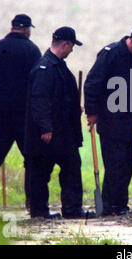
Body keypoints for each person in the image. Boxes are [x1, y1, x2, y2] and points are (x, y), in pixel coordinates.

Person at [83, 27, 132, 216]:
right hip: (110, 118)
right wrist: (92, 112)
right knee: (114, 163)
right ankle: (108, 205)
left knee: (128, 162)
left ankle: (121, 204)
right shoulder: (110, 54)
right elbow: (92, 83)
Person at [0, 14, 41, 209]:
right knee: (31, 156)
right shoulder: (32, 50)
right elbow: (38, 80)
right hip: (24, 114)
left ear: (12, 27)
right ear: (28, 29)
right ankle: (32, 201)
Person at [25, 26, 89, 219]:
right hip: (50, 133)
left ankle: (72, 209)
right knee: (40, 172)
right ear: (65, 44)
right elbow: (39, 99)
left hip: (64, 132)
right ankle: (39, 211)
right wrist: (45, 127)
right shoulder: (45, 68)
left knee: (71, 168)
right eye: (71, 47)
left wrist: (74, 109)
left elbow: (61, 97)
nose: (71, 50)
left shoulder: (58, 66)